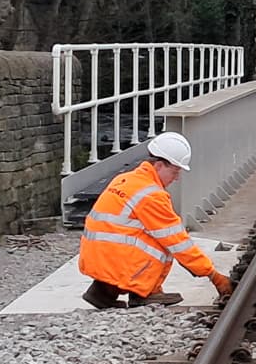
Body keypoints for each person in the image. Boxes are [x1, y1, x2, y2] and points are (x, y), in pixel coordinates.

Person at [79, 132, 233, 309]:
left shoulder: (124, 179)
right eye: (175, 171)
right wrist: (213, 275)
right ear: (159, 166)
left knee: (139, 234)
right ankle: (145, 292)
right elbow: (179, 242)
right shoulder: (152, 195)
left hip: (95, 259)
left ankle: (103, 291)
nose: (177, 178)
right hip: (113, 260)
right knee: (163, 241)